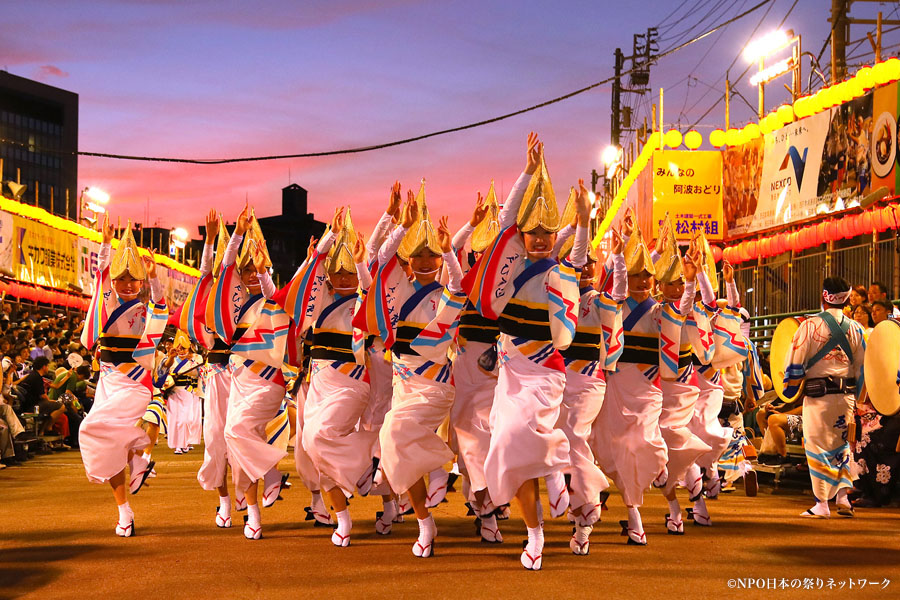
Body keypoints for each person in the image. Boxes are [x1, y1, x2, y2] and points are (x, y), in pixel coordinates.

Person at [466, 133, 586, 569]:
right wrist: (529, 171)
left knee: (517, 438)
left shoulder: (561, 272)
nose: (538, 238)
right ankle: (534, 534)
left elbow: (579, 252)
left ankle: (554, 462)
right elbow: (504, 220)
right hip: (509, 371)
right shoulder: (509, 262)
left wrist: (586, 221)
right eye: (531, 231)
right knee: (506, 446)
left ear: (555, 236)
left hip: (545, 371)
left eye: (546, 233)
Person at [363, 181, 465, 559]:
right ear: (407, 259)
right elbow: (374, 256)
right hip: (404, 386)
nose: (424, 260)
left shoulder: (445, 293)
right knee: (394, 448)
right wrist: (398, 223)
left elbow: (458, 284)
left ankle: (440, 467)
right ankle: (425, 521)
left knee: (394, 433)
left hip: (436, 388)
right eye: (416, 255)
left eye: (431, 254)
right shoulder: (398, 291)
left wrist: (450, 251)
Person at [282, 207, 378, 547]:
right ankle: (343, 518)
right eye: (337, 272)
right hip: (320, 382)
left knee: (320, 437)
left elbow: (376, 304)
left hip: (352, 382)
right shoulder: (320, 297)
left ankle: (369, 462)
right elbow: (293, 299)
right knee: (312, 449)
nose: (343, 278)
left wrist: (363, 263)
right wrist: (324, 245)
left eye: (349, 271)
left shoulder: (365, 298)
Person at [78, 215, 167, 537]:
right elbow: (99, 277)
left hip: (135, 383)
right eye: (121, 279)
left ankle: (141, 458)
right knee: (111, 445)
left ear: (141, 283)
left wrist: (155, 276)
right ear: (114, 282)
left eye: (134, 279)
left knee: (92, 428)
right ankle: (124, 511)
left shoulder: (147, 312)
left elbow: (161, 305)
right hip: (108, 381)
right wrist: (104, 244)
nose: (128, 284)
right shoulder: (105, 302)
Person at [211, 203, 288, 540]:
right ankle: (253, 514)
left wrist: (264, 273)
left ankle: (270, 470)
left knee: (236, 433)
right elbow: (222, 269)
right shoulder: (233, 306)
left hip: (268, 382)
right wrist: (236, 234)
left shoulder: (274, 299)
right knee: (238, 446)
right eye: (247, 272)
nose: (252, 276)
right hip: (239, 381)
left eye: (258, 270)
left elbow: (274, 296)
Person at [448, 187, 505, 543]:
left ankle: (488, 507)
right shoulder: (463, 277)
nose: (485, 254)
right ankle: (483, 505)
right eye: (481, 248)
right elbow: (451, 250)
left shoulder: (512, 280)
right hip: (466, 364)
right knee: (466, 434)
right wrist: (472, 223)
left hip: (502, 365)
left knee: (486, 433)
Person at [783, 276, 866, 518]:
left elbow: (794, 361)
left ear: (824, 297)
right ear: (847, 299)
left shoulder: (809, 326)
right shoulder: (857, 329)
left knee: (817, 445)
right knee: (841, 445)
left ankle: (822, 503)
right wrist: (858, 399)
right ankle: (842, 498)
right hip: (846, 397)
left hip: (819, 396)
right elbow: (862, 369)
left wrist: (789, 388)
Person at [156, 331, 202, 454]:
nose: (181, 351)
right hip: (174, 392)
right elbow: (163, 370)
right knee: (174, 420)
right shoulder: (170, 358)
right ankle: (178, 445)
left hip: (188, 391)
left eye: (184, 348)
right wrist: (171, 357)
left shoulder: (197, 358)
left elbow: (199, 374)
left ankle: (185, 442)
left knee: (186, 420)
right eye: (179, 348)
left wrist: (192, 362)